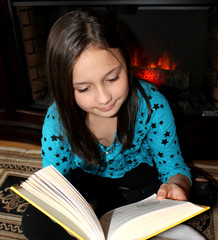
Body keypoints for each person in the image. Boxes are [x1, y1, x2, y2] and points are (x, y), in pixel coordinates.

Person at [21, 8, 206, 240]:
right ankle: (110, 209)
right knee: (33, 222)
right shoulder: (57, 121)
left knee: (198, 194)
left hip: (141, 178)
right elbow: (53, 183)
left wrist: (177, 185)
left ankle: (115, 209)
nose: (104, 98)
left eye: (112, 79)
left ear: (128, 66)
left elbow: (172, 168)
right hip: (88, 182)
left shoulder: (152, 105)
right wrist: (71, 211)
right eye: (84, 88)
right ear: (65, 88)